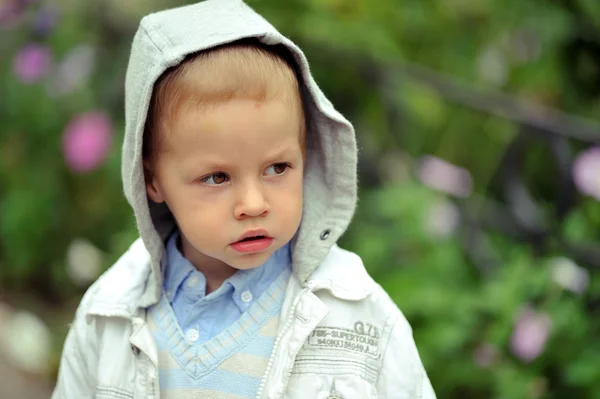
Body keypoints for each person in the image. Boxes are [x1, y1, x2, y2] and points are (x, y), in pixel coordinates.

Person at [52, 0, 436, 398]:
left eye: (277, 168)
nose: (253, 204)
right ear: (152, 180)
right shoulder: (110, 313)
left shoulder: (361, 318)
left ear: (306, 154)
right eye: (217, 177)